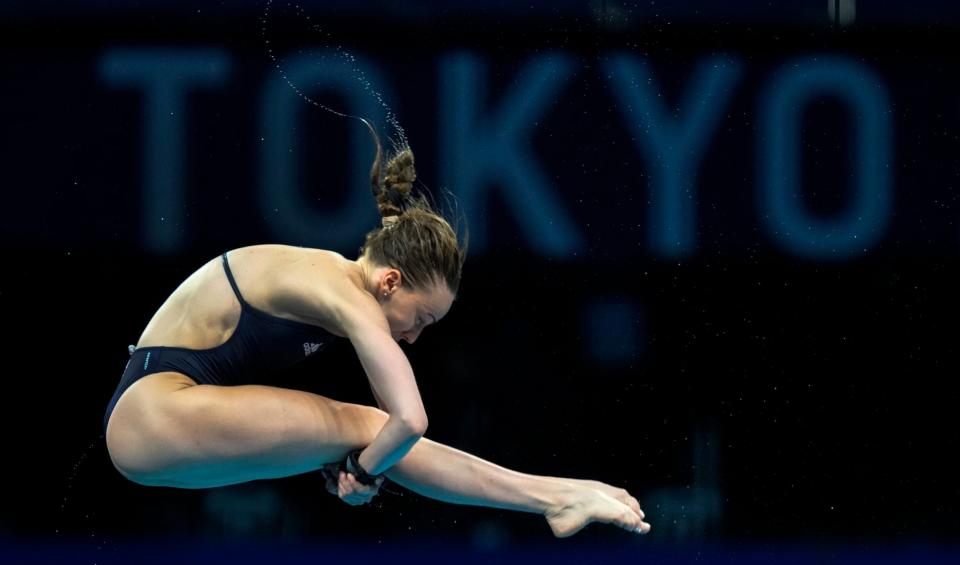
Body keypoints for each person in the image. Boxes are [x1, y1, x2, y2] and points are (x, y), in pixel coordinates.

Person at [102, 123, 651, 538]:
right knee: (370, 425)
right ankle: (552, 497)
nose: (412, 337)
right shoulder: (346, 297)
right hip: (152, 416)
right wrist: (362, 475)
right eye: (421, 319)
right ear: (390, 281)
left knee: (365, 430)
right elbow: (410, 419)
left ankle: (560, 492)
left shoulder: (329, 278)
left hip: (163, 419)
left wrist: (365, 467)